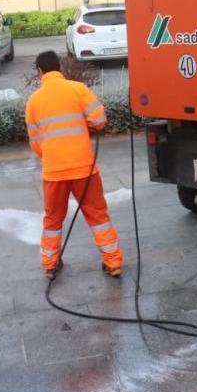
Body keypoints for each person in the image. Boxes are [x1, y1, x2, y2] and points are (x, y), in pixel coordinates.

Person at [25, 51, 123, 279]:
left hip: (53, 173)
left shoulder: (33, 101)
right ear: (59, 67)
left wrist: (52, 156)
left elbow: (35, 144)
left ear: (39, 71)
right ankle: (113, 263)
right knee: (98, 215)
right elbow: (99, 121)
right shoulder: (78, 89)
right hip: (84, 169)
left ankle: (50, 265)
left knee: (52, 220)